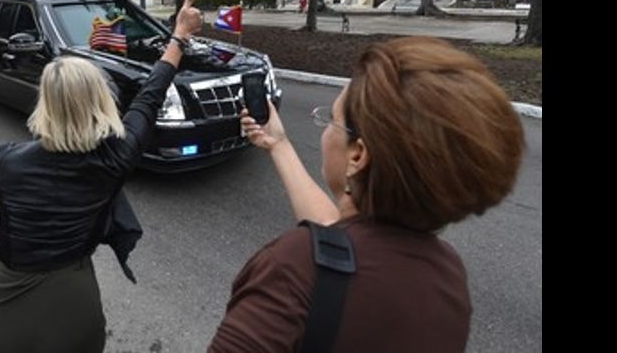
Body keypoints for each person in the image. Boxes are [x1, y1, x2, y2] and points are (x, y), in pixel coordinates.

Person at [209, 36, 525, 352]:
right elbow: (338, 241)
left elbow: (332, 254)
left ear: (358, 155)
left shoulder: (293, 269)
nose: (325, 130)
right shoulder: (447, 275)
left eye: (333, 120)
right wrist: (279, 145)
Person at [0, 0, 203, 353]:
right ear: (101, 101)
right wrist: (180, 34)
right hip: (71, 303)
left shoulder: (7, 160)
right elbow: (149, 95)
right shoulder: (115, 159)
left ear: (45, 102)